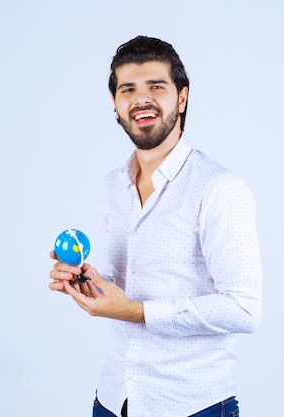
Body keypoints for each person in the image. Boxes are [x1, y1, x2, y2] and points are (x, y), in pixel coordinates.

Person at [49, 35, 262, 417]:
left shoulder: (219, 188)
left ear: (181, 98)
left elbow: (244, 309)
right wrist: (86, 279)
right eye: (128, 89)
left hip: (191, 405)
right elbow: (122, 281)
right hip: (114, 398)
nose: (141, 98)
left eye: (156, 86)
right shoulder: (114, 185)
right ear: (115, 106)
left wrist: (135, 311)